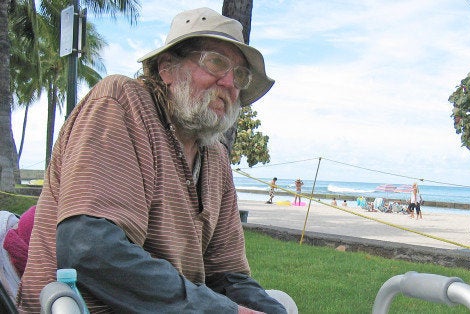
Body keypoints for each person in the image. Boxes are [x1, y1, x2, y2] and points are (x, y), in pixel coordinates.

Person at [18, 8, 286, 313]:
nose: (229, 83)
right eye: (216, 62)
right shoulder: (119, 104)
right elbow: (88, 249)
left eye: (240, 75)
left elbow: (227, 277)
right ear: (167, 68)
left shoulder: (215, 154)